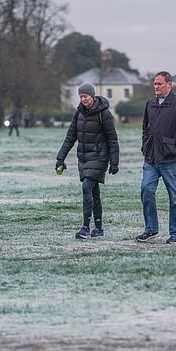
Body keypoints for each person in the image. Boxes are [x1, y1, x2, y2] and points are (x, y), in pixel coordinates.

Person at [137, 71, 176, 244]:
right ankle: (151, 229)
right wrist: (145, 144)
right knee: (146, 190)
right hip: (151, 159)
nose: (156, 87)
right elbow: (145, 128)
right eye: (155, 84)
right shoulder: (150, 103)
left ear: (169, 84)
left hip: (172, 160)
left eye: (159, 84)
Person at [56, 82, 120, 239]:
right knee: (94, 192)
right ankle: (98, 229)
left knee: (86, 188)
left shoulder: (103, 113)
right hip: (84, 158)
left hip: (99, 157)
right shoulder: (78, 113)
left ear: (92, 96)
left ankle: (85, 227)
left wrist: (114, 162)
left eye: (85, 96)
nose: (83, 99)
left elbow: (112, 139)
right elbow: (70, 137)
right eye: (81, 96)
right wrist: (60, 158)